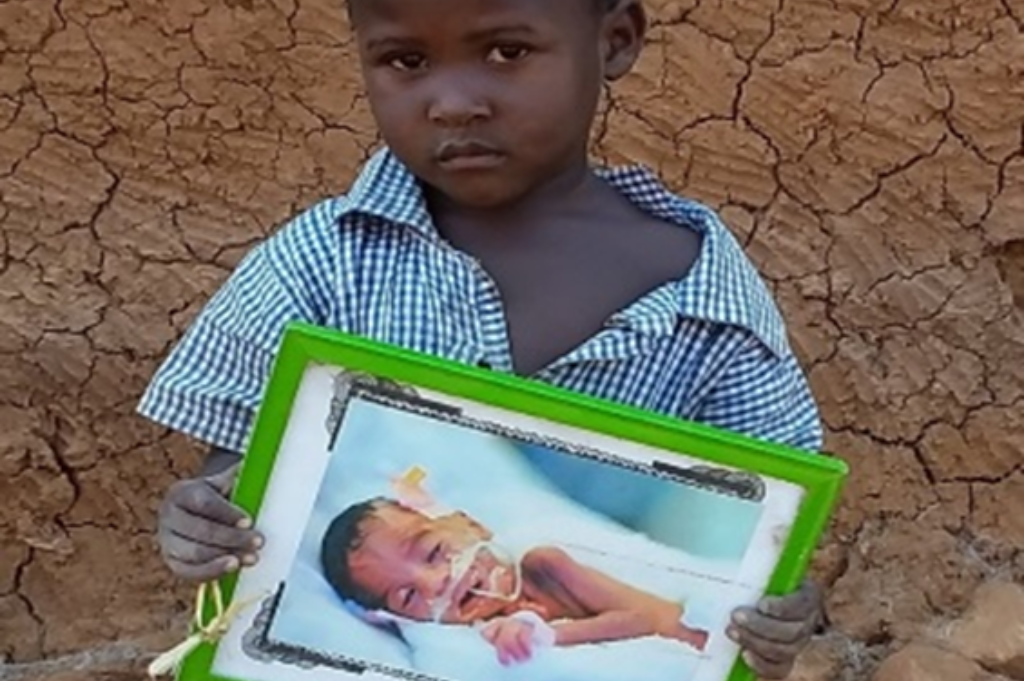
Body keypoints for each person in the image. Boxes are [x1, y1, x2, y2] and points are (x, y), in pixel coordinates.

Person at [146, 0, 826, 677]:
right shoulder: (323, 263)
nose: (453, 102)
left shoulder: (704, 298)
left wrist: (776, 611)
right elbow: (237, 474)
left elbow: (770, 528)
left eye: (506, 52)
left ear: (614, 41)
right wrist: (203, 522)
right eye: (406, 61)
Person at [319, 496, 711, 665]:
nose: (436, 582)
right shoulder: (474, 638)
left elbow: (642, 621)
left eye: (434, 552)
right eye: (407, 596)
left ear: (473, 526)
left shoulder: (545, 566)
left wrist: (549, 635)